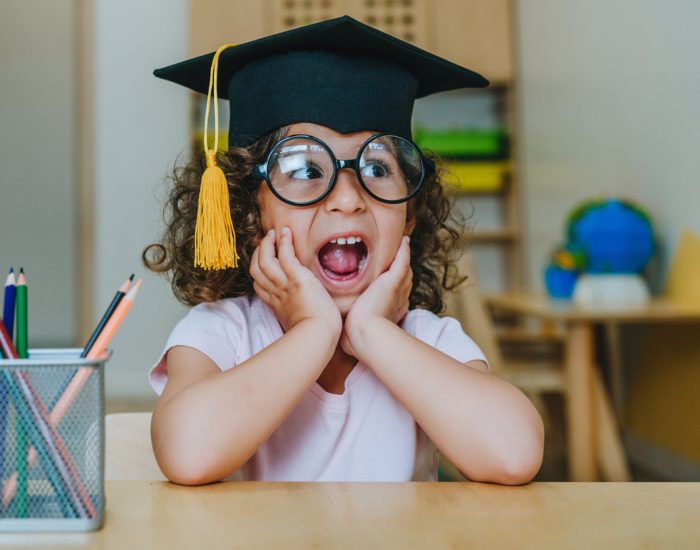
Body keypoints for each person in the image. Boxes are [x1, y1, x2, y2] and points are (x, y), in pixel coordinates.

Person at [144, 16, 544, 485]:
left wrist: (371, 331)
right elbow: (188, 454)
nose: (350, 198)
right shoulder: (222, 334)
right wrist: (315, 331)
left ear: (409, 216)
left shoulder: (427, 341)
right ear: (248, 217)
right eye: (306, 170)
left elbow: (514, 454)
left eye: (377, 169)